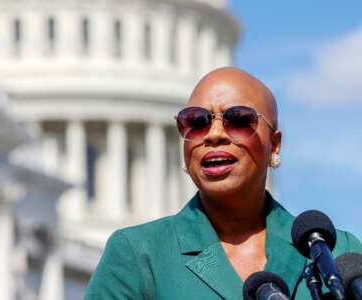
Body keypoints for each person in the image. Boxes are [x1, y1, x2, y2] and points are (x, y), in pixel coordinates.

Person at [84, 67, 362, 299]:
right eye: (197, 122)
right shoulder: (139, 253)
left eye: (239, 120)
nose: (214, 134)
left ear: (274, 144)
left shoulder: (334, 253)